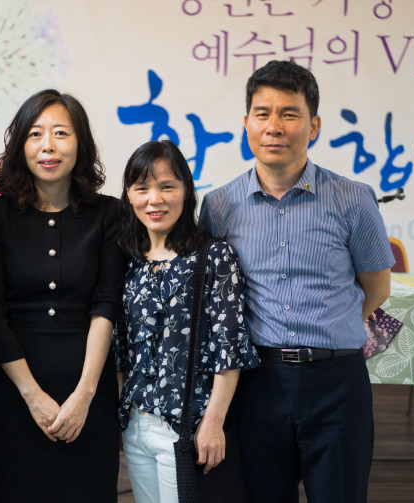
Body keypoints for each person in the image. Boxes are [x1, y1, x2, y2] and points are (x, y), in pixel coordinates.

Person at [200, 60, 394, 503]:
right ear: (246, 123)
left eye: (289, 114)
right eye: (262, 114)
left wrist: (331, 327)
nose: (274, 126)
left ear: (314, 126)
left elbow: (377, 287)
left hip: (336, 382)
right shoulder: (219, 206)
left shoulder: (353, 199)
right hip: (258, 383)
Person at [0, 89, 126, 503]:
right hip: (17, 391)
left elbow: (106, 305)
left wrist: (84, 395)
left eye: (61, 133)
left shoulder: (109, 213)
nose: (48, 146)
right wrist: (33, 396)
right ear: (20, 146)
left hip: (90, 389)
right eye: (35, 134)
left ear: (80, 144)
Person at [115, 140, 261, 503]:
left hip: (188, 429)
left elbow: (230, 347)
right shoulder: (128, 261)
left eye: (167, 186)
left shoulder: (213, 256)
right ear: (128, 195)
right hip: (136, 426)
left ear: (186, 190)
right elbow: (122, 349)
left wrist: (213, 422)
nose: (155, 199)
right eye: (142, 188)